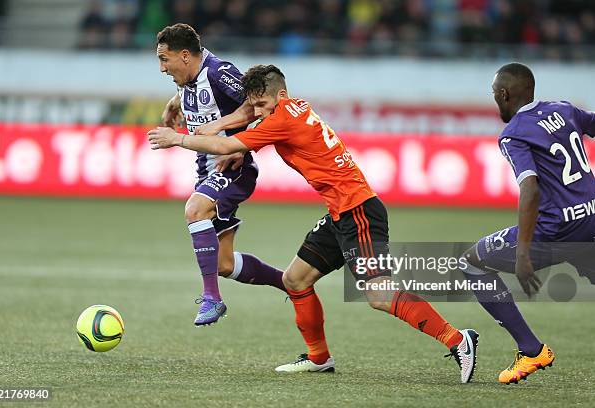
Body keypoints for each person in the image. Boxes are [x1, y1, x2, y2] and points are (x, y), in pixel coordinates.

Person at [148, 64, 479, 383]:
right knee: (295, 280)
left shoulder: (280, 119)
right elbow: (262, 135)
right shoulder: (292, 110)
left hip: (358, 211)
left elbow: (226, 143)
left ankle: (457, 339)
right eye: (255, 105)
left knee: (378, 295)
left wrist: (178, 139)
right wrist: (242, 145)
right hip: (340, 212)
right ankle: (319, 358)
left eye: (262, 104)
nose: (259, 111)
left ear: (280, 94)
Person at [461, 62, 595, 384]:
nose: (495, 101)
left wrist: (522, 253)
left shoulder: (513, 134)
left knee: (471, 263)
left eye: (495, 95)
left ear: (504, 94)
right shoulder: (564, 110)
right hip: (591, 217)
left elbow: (530, 188)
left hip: (557, 229)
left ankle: (531, 349)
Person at [155, 24, 286, 326]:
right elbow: (193, 93)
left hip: (233, 167)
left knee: (195, 209)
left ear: (185, 56)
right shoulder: (188, 76)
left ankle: (212, 298)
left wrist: (233, 139)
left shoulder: (218, 71)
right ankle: (288, 282)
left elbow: (258, 103)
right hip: (206, 171)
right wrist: (175, 103)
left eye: (165, 59)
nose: (162, 68)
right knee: (225, 264)